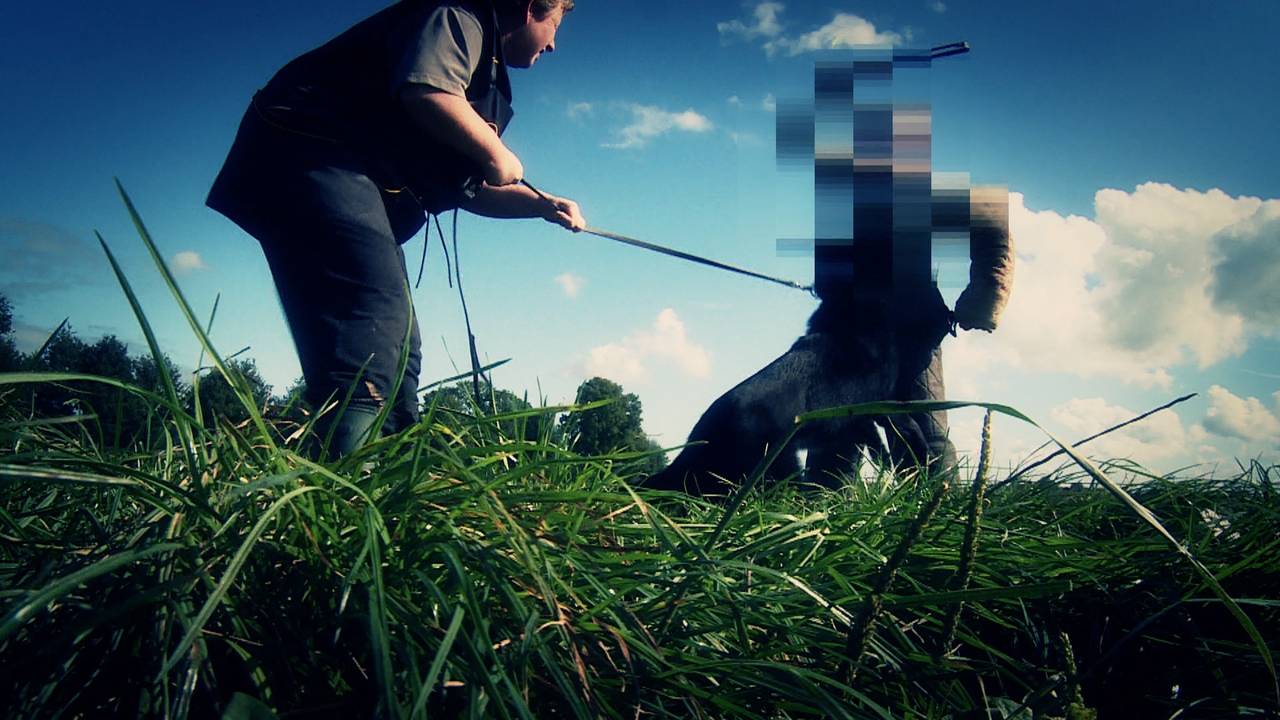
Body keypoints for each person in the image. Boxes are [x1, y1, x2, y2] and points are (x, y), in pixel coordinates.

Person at [207, 0, 584, 456]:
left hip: (339, 168)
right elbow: (427, 90)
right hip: (310, 152)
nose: (555, 45)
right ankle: (340, 499)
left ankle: (387, 488)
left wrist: (541, 206)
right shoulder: (458, 17)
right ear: (529, 8)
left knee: (401, 344)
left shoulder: (486, 81)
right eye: (555, 24)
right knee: (371, 317)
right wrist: (494, 152)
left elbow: (470, 189)